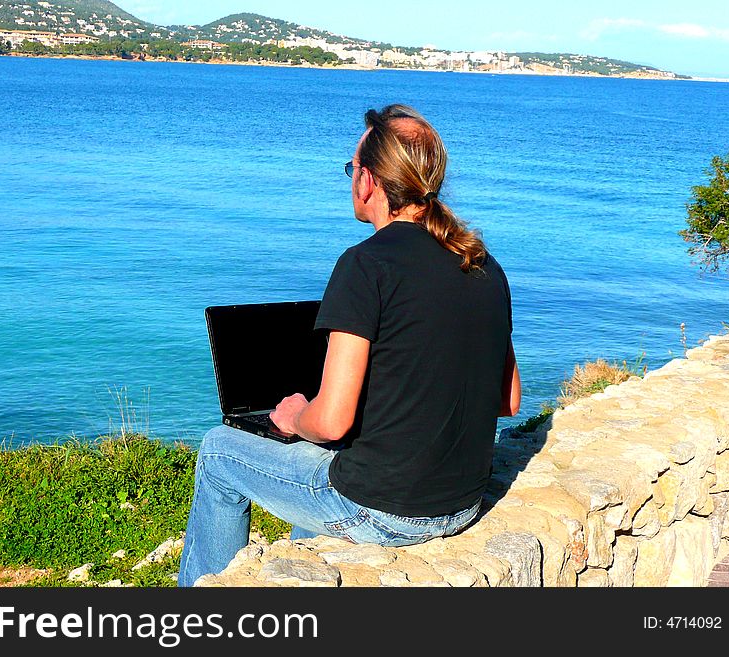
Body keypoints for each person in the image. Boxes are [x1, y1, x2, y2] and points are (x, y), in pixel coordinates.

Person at [178, 104, 520, 587]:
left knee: (218, 452)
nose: (351, 180)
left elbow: (332, 420)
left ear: (369, 181)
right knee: (328, 461)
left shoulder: (365, 265)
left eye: (352, 169)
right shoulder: (483, 264)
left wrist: (294, 415)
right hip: (461, 504)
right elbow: (507, 401)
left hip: (385, 512)